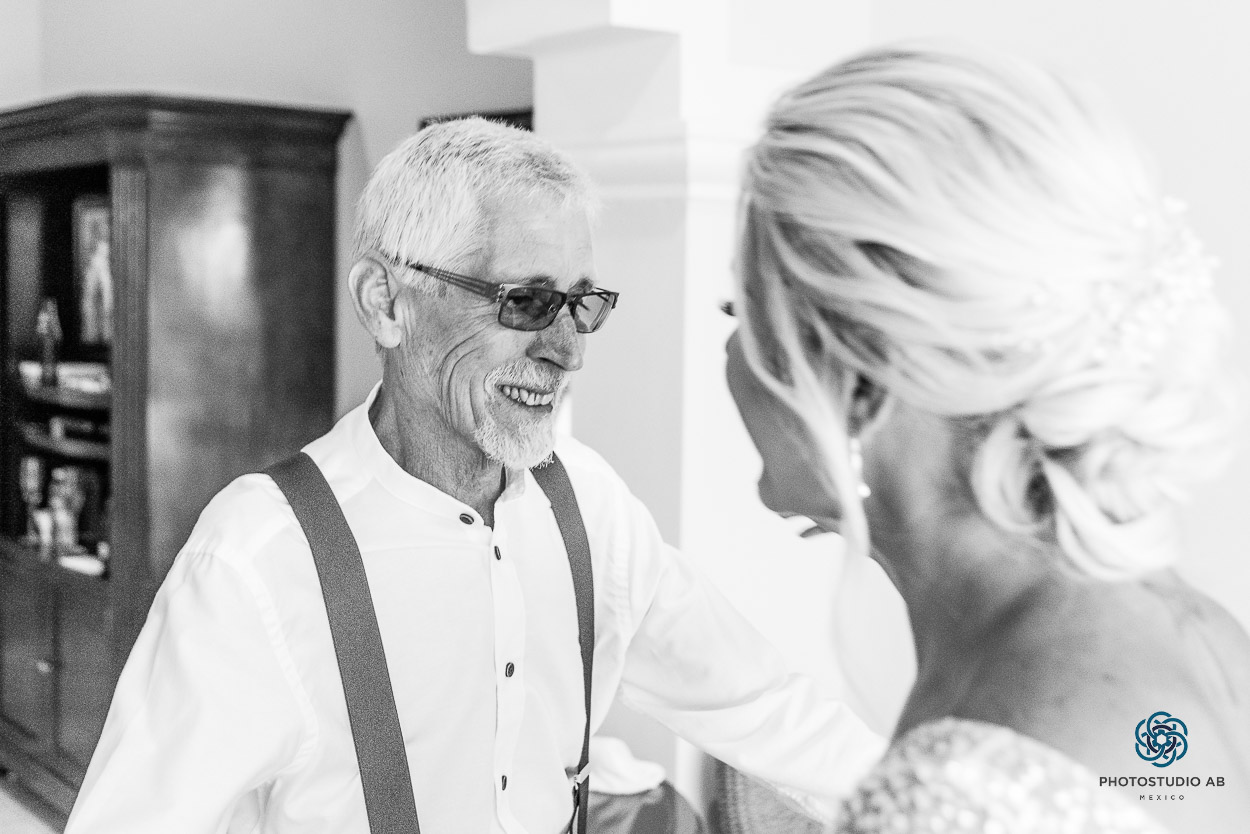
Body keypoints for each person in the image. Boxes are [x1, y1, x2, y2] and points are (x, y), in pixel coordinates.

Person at [65, 118, 885, 834]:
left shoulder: (590, 508)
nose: (567, 352)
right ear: (386, 302)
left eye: (581, 304)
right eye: (526, 302)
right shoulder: (255, 562)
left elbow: (766, 709)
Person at [724, 44, 1250, 833]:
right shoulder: (1200, 634)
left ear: (858, 379)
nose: (731, 353)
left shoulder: (956, 792)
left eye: (740, 312)